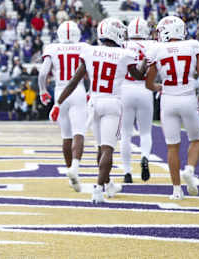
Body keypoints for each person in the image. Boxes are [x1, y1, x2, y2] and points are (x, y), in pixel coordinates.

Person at [58, 18, 145, 204]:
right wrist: (146, 63)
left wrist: (58, 102)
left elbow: (74, 81)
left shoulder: (89, 50)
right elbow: (139, 75)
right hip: (113, 102)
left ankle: (107, 184)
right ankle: (98, 189)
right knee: (108, 149)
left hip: (94, 102)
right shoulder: (125, 53)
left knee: (101, 147)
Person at [145, 16, 199, 200]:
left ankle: (176, 190)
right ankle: (189, 169)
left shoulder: (157, 49)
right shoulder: (192, 45)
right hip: (188, 97)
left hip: (168, 100)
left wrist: (158, 87)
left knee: (172, 146)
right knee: (196, 139)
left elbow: (149, 82)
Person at [39, 21, 88, 192]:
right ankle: (74, 167)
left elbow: (43, 73)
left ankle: (70, 171)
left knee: (66, 136)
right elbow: (91, 71)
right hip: (78, 91)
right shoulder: (84, 47)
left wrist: (42, 90)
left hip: (60, 92)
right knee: (79, 133)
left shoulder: (52, 48)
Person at [120, 17, 155, 184]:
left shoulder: (122, 45)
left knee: (125, 134)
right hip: (145, 89)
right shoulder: (153, 45)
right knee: (145, 132)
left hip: (125, 89)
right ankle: (145, 157)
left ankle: (127, 172)